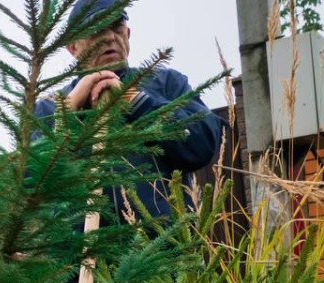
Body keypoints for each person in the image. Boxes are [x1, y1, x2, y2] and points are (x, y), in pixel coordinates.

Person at [35, 0, 224, 222]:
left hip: (163, 240)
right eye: (96, 30)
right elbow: (30, 184)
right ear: (73, 47)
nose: (110, 37)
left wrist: (135, 101)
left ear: (128, 34)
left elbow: (202, 145)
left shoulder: (166, 84)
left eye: (117, 27)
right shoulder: (50, 108)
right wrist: (66, 114)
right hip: (78, 244)